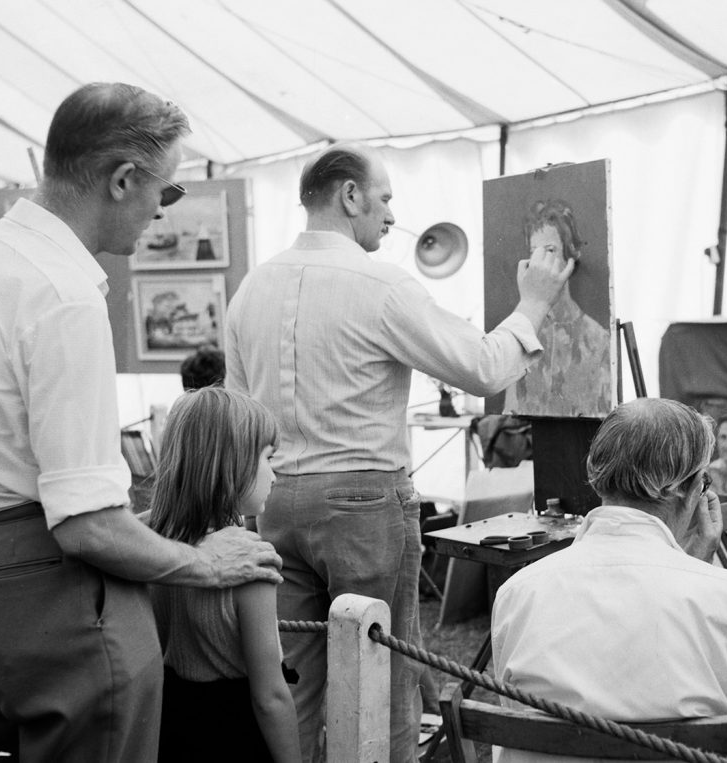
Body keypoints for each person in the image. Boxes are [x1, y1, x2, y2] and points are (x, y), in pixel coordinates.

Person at [0, 82, 284, 762]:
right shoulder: (63, 292)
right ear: (124, 179)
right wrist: (202, 562)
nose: (163, 210)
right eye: (168, 190)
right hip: (57, 595)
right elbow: (87, 522)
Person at [225, 141, 573, 763]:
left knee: (293, 682)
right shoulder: (381, 284)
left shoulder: (252, 287)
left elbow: (235, 412)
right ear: (349, 195)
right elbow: (483, 368)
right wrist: (534, 304)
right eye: (384, 198)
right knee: (380, 680)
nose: (390, 215)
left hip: (274, 502)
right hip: (362, 504)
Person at [491, 398, 727, 763]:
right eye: (703, 482)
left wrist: (688, 563)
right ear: (688, 490)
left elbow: (515, 710)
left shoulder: (518, 592)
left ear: (595, 470)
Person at [149, 388, 299, 762]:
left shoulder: (153, 546)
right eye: (268, 459)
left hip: (172, 726)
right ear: (232, 466)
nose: (275, 475)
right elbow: (270, 697)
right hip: (235, 734)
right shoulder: (248, 560)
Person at [503, 199, 611, 417]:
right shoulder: (522, 330)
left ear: (570, 256)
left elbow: (605, 417)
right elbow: (510, 411)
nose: (539, 261)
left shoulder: (597, 339)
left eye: (550, 250)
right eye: (534, 251)